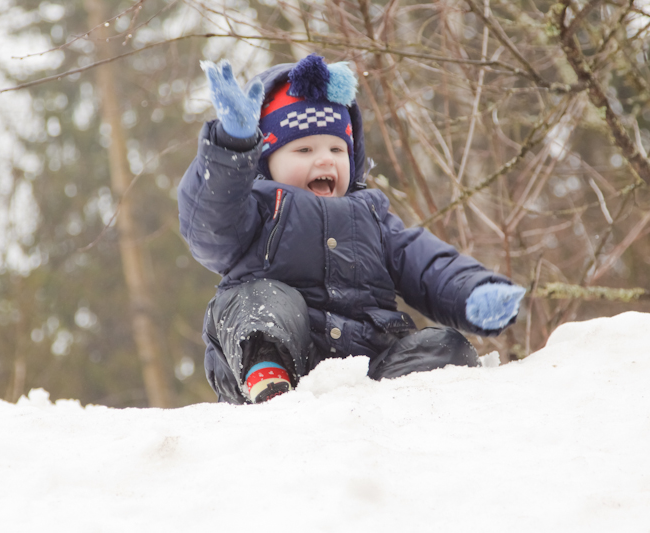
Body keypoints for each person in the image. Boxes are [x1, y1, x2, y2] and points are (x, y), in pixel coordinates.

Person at [178, 54, 525, 404]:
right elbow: (210, 225)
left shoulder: (372, 216)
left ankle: (407, 404)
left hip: (369, 367)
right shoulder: (253, 211)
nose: (325, 159)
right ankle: (269, 383)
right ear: (267, 162)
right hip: (286, 357)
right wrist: (232, 149)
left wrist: (473, 292)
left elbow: (427, 265)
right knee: (260, 299)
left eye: (336, 148)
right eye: (303, 149)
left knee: (443, 346)